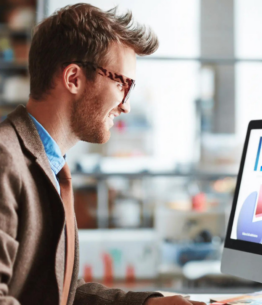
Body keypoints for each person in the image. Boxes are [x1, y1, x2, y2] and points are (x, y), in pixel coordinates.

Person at [0, 4, 207, 305]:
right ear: (73, 78)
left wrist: (147, 304)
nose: (126, 105)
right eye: (122, 83)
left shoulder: (52, 164)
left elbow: (62, 294)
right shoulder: (6, 160)